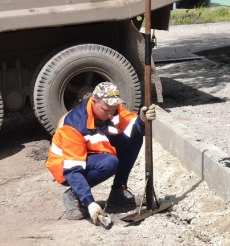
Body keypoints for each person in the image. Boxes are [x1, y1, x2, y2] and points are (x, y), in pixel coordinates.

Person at [46, 82, 156, 226]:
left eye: (113, 109)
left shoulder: (111, 108)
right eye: (106, 110)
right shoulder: (73, 125)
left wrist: (142, 120)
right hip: (65, 167)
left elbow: (131, 124)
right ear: (94, 100)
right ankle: (73, 195)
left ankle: (118, 192)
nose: (111, 114)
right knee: (109, 163)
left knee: (134, 138)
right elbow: (73, 170)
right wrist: (90, 202)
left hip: (92, 154)